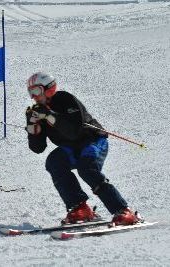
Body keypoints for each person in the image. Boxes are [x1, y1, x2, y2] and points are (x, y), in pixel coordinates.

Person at [25, 72, 139, 226]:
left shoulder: (65, 99)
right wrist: (33, 128)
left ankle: (123, 210)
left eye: (36, 91)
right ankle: (80, 207)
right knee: (54, 162)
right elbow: (38, 148)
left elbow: (73, 131)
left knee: (86, 168)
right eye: (30, 92)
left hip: (92, 140)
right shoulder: (39, 111)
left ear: (49, 88)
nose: (34, 97)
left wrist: (50, 116)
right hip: (70, 147)